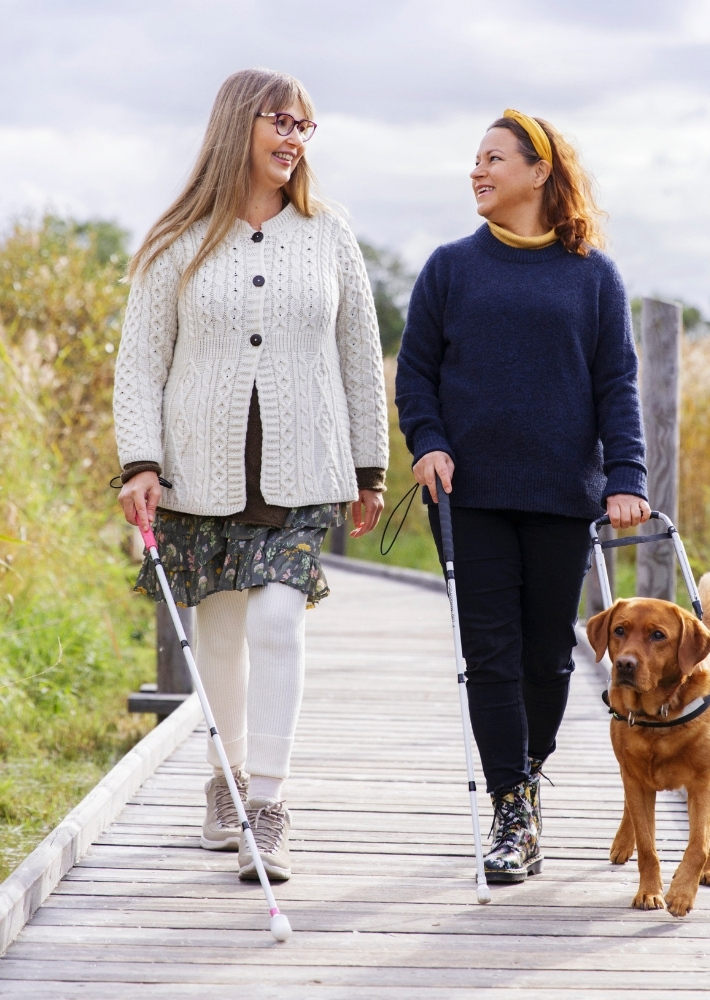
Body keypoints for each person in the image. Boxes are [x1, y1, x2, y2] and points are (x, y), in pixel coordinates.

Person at [113, 68, 388, 882]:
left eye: (306, 127)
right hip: (200, 470)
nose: (295, 139)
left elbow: (359, 361)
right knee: (223, 633)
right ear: (240, 125)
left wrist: (369, 469)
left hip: (304, 472)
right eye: (282, 122)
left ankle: (269, 805)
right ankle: (226, 782)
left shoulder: (331, 233)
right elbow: (140, 366)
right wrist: (141, 462)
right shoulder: (176, 242)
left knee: (276, 620)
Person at [396, 109, 649, 883]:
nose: (478, 171)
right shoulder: (449, 268)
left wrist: (626, 478)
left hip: (560, 496)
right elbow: (416, 375)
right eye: (475, 160)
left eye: (494, 159)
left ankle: (528, 779)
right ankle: (511, 807)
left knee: (549, 657)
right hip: (469, 495)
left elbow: (617, 384)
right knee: (491, 654)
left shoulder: (593, 275)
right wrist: (429, 441)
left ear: (539, 173)